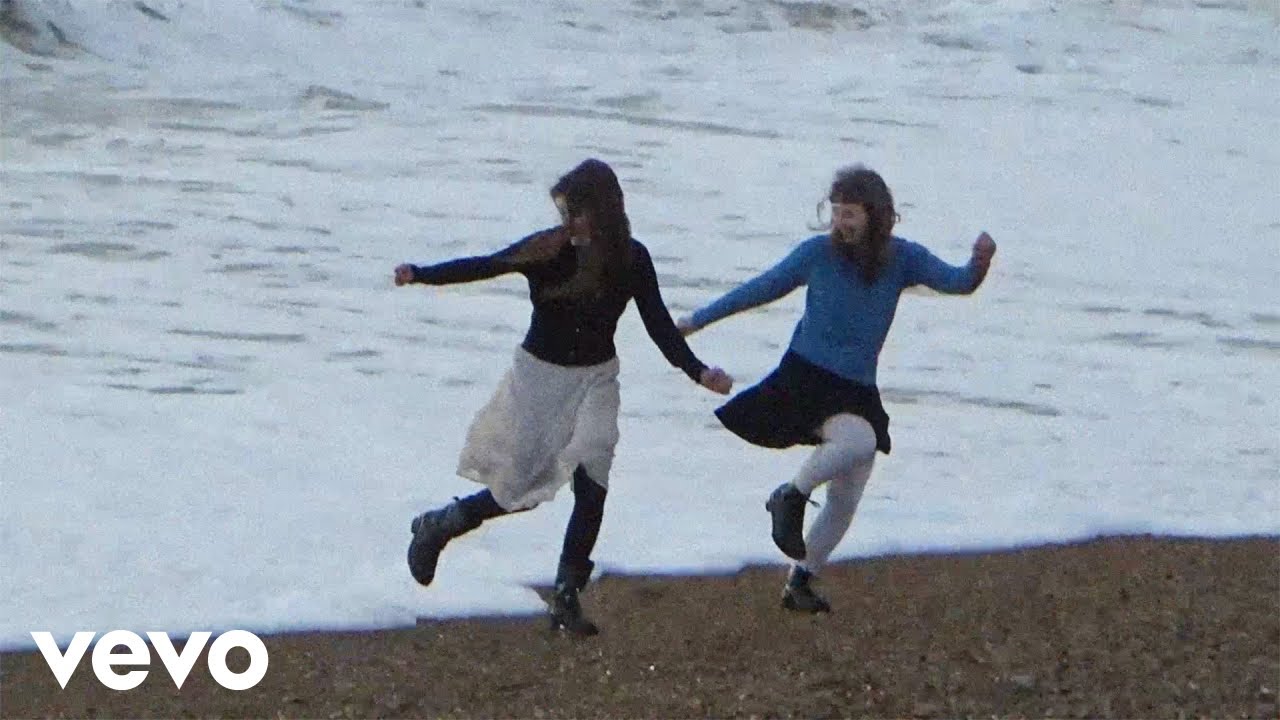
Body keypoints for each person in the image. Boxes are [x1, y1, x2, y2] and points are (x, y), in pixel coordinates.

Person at [394, 158, 732, 635]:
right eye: (564, 212)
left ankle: (566, 595)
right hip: (539, 379)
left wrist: (698, 371)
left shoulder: (632, 259)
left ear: (605, 210)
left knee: (593, 476)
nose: (568, 222)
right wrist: (421, 273)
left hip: (596, 379)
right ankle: (441, 524)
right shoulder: (547, 250)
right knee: (521, 490)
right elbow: (486, 265)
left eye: (576, 212)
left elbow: (657, 323)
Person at [678, 165, 995, 613]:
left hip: (856, 388)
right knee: (860, 441)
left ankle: (800, 581)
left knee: (847, 495)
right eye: (837, 212)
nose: (841, 223)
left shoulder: (903, 258)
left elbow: (959, 282)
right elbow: (760, 289)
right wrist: (697, 320)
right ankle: (790, 496)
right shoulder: (817, 254)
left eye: (850, 214)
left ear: (875, 214)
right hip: (805, 378)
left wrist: (980, 262)